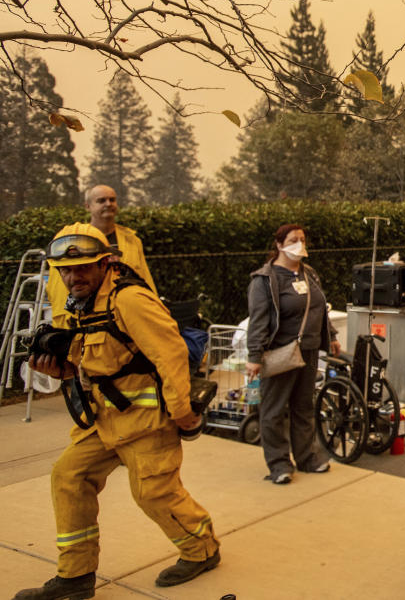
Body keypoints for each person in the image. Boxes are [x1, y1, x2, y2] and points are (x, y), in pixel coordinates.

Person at [15, 224, 219, 600]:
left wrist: (182, 414)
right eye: (66, 270)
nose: (74, 276)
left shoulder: (130, 300)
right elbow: (96, 359)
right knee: (69, 476)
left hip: (147, 421)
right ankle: (75, 577)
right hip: (104, 420)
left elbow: (171, 353)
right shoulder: (82, 304)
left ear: (105, 264)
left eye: (83, 268)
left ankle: (202, 549)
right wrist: (61, 369)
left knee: (153, 493)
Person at [244, 224, 340, 484]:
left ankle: (307, 458)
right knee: (274, 410)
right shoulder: (265, 280)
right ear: (278, 244)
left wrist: (330, 336)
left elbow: (320, 307)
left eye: (302, 239)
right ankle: (279, 464)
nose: (299, 244)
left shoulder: (309, 274)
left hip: (307, 351)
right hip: (280, 352)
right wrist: (255, 356)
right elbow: (258, 320)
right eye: (293, 239)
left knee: (303, 407)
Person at [45, 184, 158, 328]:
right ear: (87, 206)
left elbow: (145, 278)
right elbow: (59, 288)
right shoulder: (71, 241)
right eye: (101, 200)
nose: (108, 204)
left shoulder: (132, 240)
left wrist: (154, 308)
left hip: (128, 318)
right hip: (86, 322)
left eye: (112, 200)